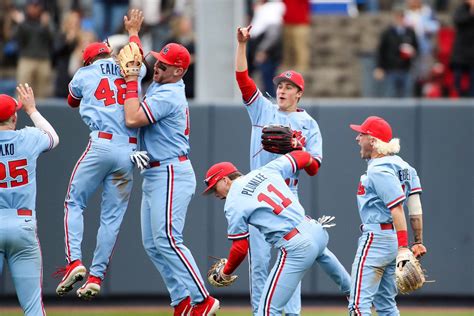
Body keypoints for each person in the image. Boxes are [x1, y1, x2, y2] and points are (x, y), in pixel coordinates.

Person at [235, 25, 350, 316]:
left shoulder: (309, 124)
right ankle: (261, 312)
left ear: (299, 93)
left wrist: (299, 152)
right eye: (280, 86)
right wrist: (241, 45)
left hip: (288, 195)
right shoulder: (263, 109)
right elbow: (242, 78)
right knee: (259, 262)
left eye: (288, 87)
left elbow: (315, 168)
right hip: (257, 194)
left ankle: (292, 313)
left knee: (295, 257)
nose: (282, 90)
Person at [121, 9, 219, 315]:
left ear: (179, 71)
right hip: (155, 172)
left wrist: (131, 79)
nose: (157, 66)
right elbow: (139, 65)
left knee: (167, 238)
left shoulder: (170, 93)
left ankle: (204, 299)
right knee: (153, 244)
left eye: (164, 65)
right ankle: (182, 301)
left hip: (170, 170)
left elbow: (133, 117)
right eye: (157, 61)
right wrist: (134, 36)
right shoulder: (161, 86)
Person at [54, 11, 146, 300]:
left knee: (74, 202)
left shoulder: (84, 73)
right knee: (112, 219)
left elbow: (71, 101)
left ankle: (74, 263)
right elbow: (137, 55)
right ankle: (96, 276)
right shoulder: (131, 69)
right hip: (129, 151)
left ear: (88, 60)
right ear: (109, 54)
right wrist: (133, 33)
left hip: (101, 144)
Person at [203, 151, 341, 315]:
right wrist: (311, 163)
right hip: (315, 228)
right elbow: (301, 156)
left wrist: (226, 272)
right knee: (349, 288)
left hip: (295, 245)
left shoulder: (233, 202)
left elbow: (240, 248)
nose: (216, 194)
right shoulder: (264, 171)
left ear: (225, 180)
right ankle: (358, 304)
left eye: (214, 188)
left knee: (267, 311)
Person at [348, 116, 427, 315]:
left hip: (377, 239)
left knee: (358, 305)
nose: (358, 138)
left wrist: (403, 247)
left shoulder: (378, 169)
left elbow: (397, 208)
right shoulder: (405, 167)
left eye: (362, 134)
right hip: (392, 241)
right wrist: (417, 241)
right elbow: (415, 207)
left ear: (373, 141)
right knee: (386, 305)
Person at [0, 84, 59, 315]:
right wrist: (32, 109)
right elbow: (53, 138)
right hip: (22, 225)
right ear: (14, 116)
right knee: (33, 306)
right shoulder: (28, 138)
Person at [374, 6, 419, 98]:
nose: (400, 20)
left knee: (407, 95)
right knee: (391, 95)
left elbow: (416, 48)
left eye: (401, 17)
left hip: (406, 69)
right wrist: (379, 67)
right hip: (391, 69)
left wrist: (413, 52)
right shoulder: (387, 33)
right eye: (398, 17)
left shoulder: (410, 32)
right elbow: (381, 51)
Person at [450, 0, 474, 97]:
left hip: (473, 51)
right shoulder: (461, 8)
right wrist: (472, 11)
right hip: (461, 51)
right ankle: (457, 97)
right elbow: (458, 20)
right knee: (457, 76)